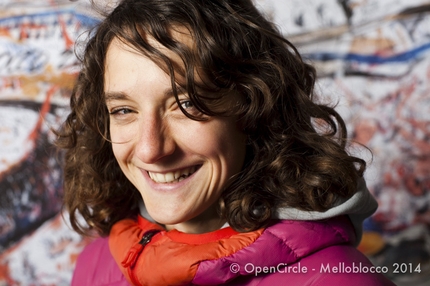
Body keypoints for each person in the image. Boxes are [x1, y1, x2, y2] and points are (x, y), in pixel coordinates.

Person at [56, 0, 396, 285]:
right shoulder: (97, 262)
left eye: (187, 105)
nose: (150, 150)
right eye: (124, 110)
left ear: (256, 109)